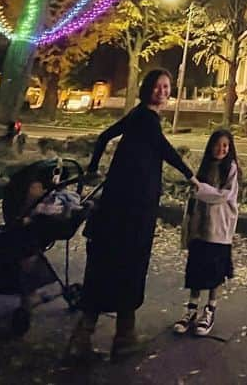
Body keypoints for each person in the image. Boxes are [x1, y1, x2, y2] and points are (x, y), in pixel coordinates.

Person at [67, 69, 194, 361]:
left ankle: (90, 333)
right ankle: (122, 336)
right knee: (130, 264)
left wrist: (94, 167)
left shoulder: (138, 115)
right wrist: (190, 175)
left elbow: (104, 136)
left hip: (117, 204)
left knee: (105, 263)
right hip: (133, 208)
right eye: (158, 86)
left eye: (167, 87)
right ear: (147, 88)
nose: (163, 91)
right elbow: (165, 150)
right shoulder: (146, 119)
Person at [174, 130, 240, 337]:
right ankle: (191, 310)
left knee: (215, 272)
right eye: (218, 145)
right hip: (200, 228)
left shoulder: (230, 168)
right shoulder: (204, 168)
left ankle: (210, 310)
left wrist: (199, 188)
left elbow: (225, 196)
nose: (221, 149)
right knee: (195, 270)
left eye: (226, 146)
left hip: (219, 228)